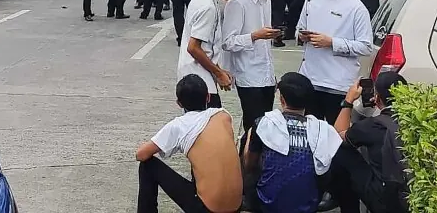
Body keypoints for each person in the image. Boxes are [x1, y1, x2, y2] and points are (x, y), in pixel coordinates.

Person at [135, 74, 243, 213]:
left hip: (207, 209)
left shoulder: (179, 125)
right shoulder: (223, 116)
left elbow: (141, 154)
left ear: (179, 103)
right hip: (236, 207)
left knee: (148, 165)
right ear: (208, 97)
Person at [242, 72, 342, 213]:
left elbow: (249, 164)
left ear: (282, 99)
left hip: (267, 204)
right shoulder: (323, 129)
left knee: (250, 154)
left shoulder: (264, 123)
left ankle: (250, 204)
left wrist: (251, 137)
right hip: (309, 204)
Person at [297, 0, 373, 124]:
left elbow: (366, 46)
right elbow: (299, 29)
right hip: (310, 80)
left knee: (335, 137)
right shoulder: (311, 0)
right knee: (310, 134)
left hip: (338, 84)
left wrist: (331, 42)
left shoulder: (356, 7)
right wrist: (302, 37)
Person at [329, 73, 410, 213]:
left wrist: (348, 100)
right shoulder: (420, 121)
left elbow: (338, 135)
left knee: (340, 151)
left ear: (377, 98)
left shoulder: (372, 126)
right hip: (411, 196)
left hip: (385, 201)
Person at [222, 0, 283, 132]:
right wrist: (255, 36)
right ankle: (246, 159)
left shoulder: (267, 0)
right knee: (253, 129)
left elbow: (264, 43)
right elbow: (227, 42)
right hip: (248, 76)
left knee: (265, 127)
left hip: (266, 75)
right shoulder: (238, 2)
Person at [178, 0, 240, 108]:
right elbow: (193, 47)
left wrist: (219, 70)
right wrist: (218, 74)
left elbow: (207, 48)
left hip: (198, 78)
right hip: (199, 83)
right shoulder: (208, 8)